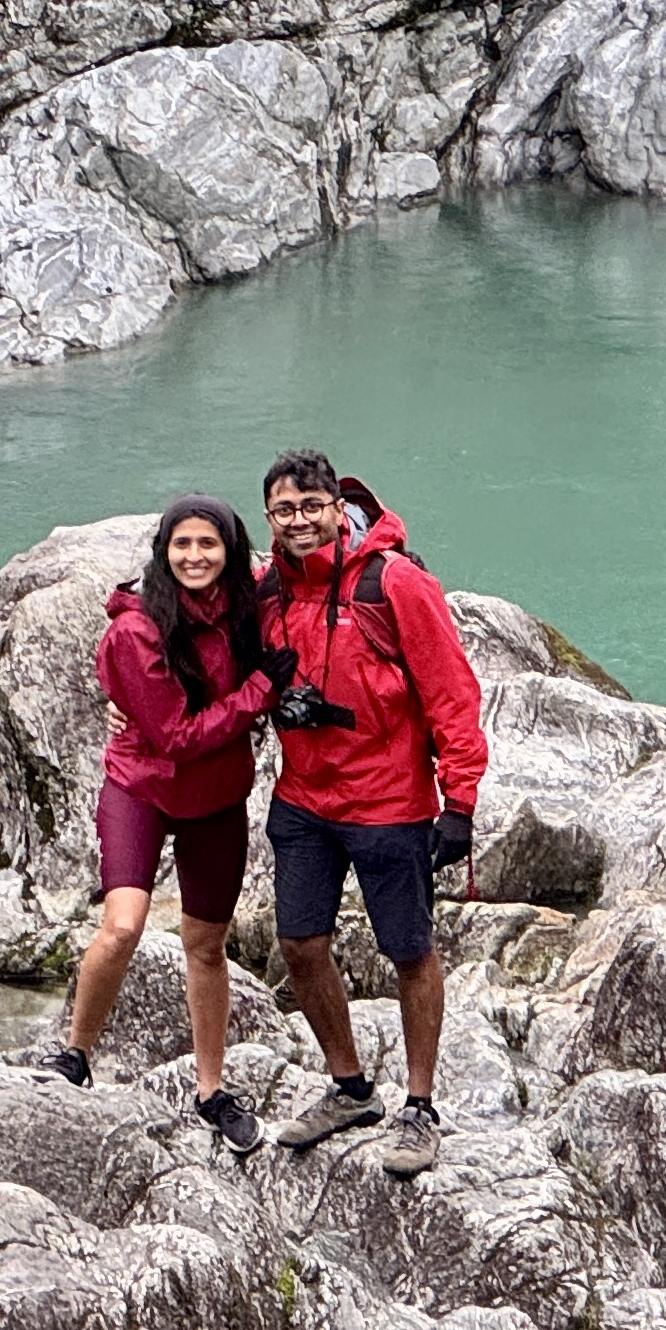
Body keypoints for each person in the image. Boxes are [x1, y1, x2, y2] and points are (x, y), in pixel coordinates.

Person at [251, 450, 487, 1179]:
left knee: (408, 949)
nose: (299, 521)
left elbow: (452, 692)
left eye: (311, 506)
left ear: (337, 505)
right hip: (304, 800)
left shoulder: (395, 584)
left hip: (390, 802)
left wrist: (461, 802)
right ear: (270, 518)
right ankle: (350, 1087)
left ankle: (420, 1106)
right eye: (284, 510)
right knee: (299, 943)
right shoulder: (267, 593)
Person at [36, 497, 279, 1151]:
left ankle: (211, 1089)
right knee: (122, 926)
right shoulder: (136, 630)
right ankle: (75, 1053)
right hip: (141, 785)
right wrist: (261, 690)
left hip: (218, 797)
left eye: (209, 545)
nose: (195, 557)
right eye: (183, 546)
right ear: (162, 553)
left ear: (230, 552)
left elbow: (310, 566)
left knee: (205, 945)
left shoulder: (247, 607)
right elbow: (173, 735)